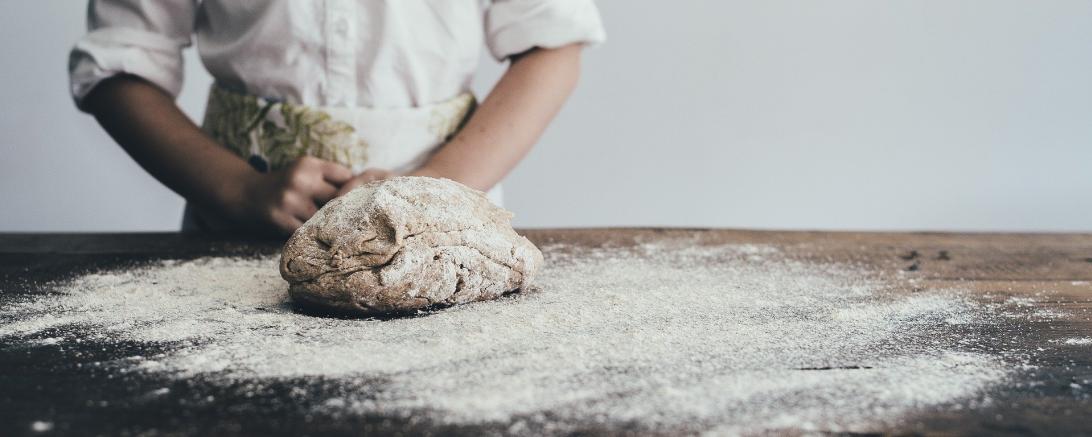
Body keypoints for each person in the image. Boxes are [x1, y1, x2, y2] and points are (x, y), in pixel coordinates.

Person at [69, 1, 605, 235]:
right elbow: (119, 61)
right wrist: (237, 190)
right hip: (238, 225)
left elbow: (552, 45)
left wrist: (432, 191)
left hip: (444, 223)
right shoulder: (238, 198)